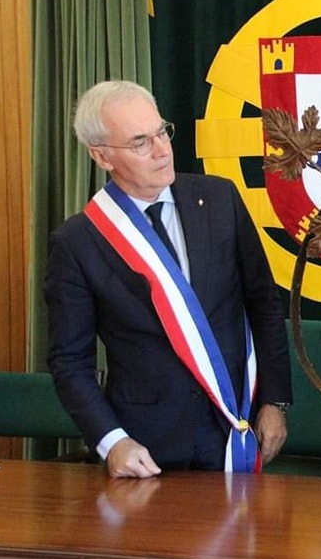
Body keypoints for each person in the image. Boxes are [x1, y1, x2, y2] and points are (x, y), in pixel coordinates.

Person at [45, 80, 292, 479]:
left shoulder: (220, 199)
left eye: (162, 132)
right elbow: (70, 360)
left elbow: (263, 303)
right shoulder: (78, 242)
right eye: (140, 142)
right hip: (146, 445)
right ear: (101, 155)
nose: (162, 150)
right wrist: (112, 441)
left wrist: (276, 401)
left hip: (233, 426)